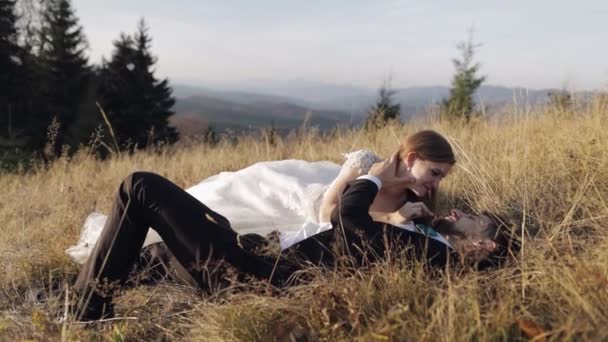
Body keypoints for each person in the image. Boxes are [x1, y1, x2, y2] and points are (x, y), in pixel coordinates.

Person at [73, 152, 511, 321]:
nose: (461, 212)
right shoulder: (425, 244)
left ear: (483, 245)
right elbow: (363, 245)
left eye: (474, 219)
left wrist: (374, 179)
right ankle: (76, 295)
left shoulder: (435, 255)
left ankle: (83, 317)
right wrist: (401, 218)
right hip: (262, 258)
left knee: (140, 187)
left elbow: (350, 223)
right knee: (162, 252)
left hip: (251, 277)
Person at [66, 130, 456, 263]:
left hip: (312, 242)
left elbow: (363, 237)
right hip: (307, 210)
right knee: (220, 212)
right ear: (411, 158)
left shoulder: (413, 206)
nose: (436, 184)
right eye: (434, 173)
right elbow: (327, 211)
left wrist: (399, 218)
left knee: (195, 247)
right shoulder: (367, 168)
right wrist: (382, 210)